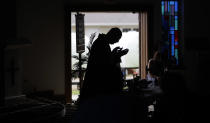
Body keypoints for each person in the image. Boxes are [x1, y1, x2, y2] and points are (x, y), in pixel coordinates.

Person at [80, 27, 129, 102]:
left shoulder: (101, 42)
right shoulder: (102, 43)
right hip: (97, 81)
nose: (117, 41)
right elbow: (104, 65)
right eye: (117, 38)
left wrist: (114, 53)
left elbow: (105, 59)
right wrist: (118, 55)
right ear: (113, 35)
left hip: (95, 80)